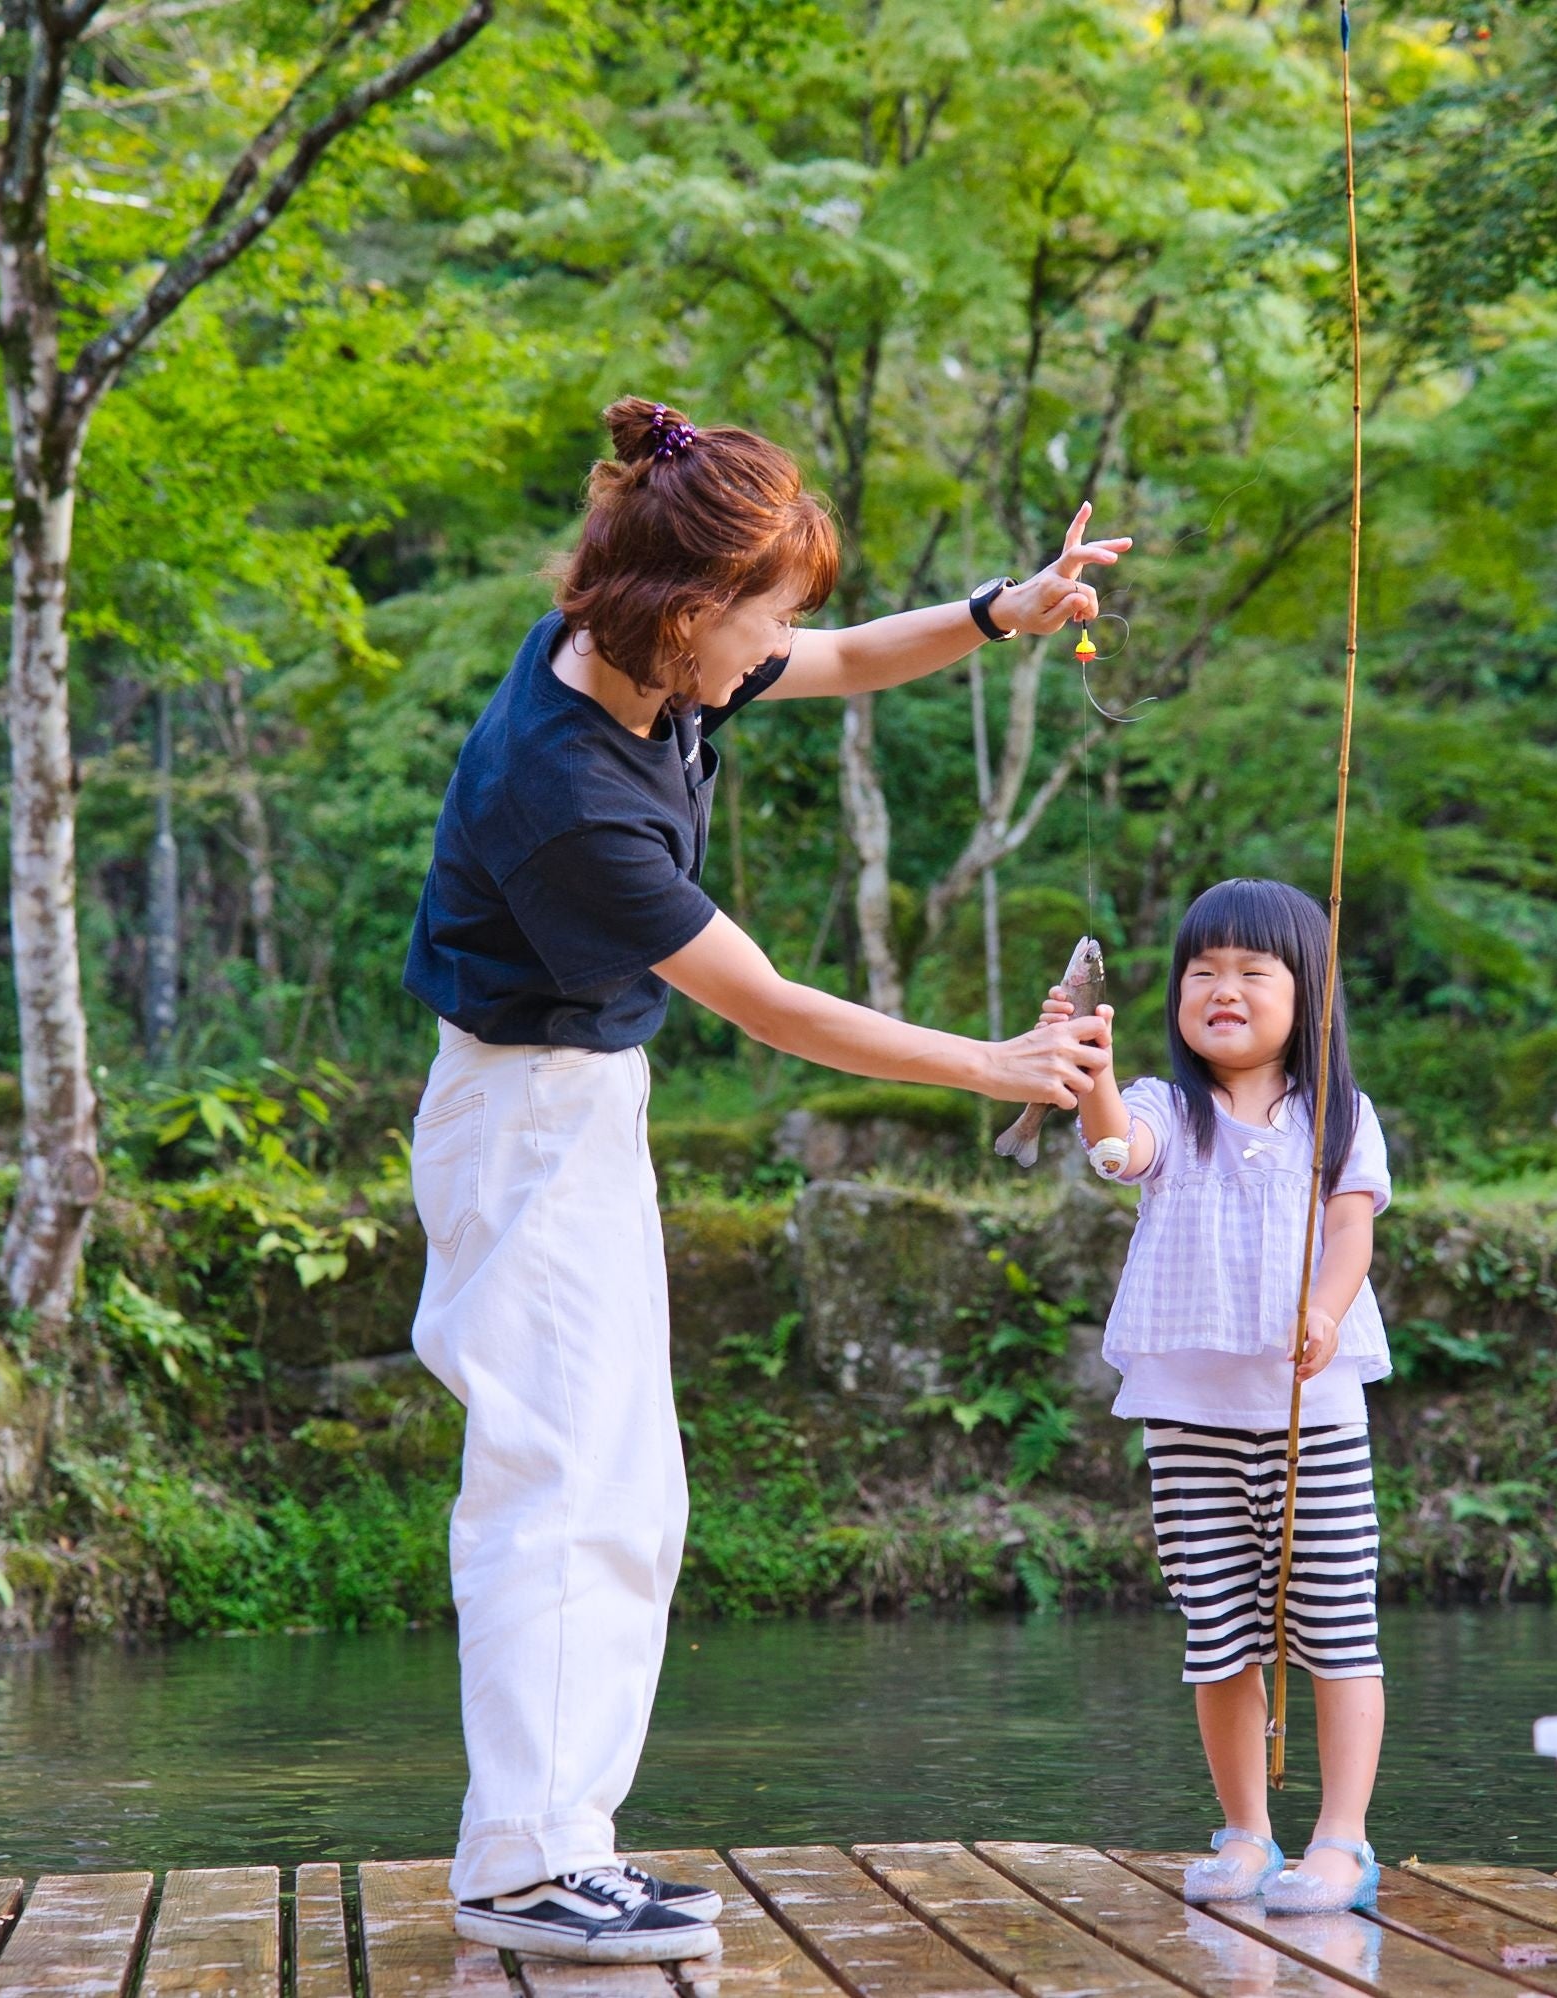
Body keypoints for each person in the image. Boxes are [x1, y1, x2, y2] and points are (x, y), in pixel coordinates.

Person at [402, 395, 1123, 1964]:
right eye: (761, 617)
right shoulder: (565, 786)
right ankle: (526, 1861)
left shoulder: (653, 671)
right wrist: (991, 1062)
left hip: (580, 1108)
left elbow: (858, 655)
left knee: (628, 1490)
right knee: (557, 1482)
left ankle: (556, 1844)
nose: (775, 645)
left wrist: (1006, 609)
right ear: (681, 610)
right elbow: (776, 1005)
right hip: (522, 1120)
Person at [1049, 876, 1392, 1914]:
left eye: (1253, 971)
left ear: (1307, 996)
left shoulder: (1338, 1113)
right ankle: (1245, 1831)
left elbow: (1351, 1231)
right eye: (1204, 972)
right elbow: (1116, 1150)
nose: (1224, 989)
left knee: (1334, 1626)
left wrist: (1326, 1314)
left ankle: (1341, 1839)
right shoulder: (1163, 1104)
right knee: (1218, 1629)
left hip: (1310, 1412)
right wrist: (1093, 1073)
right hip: (1186, 1413)